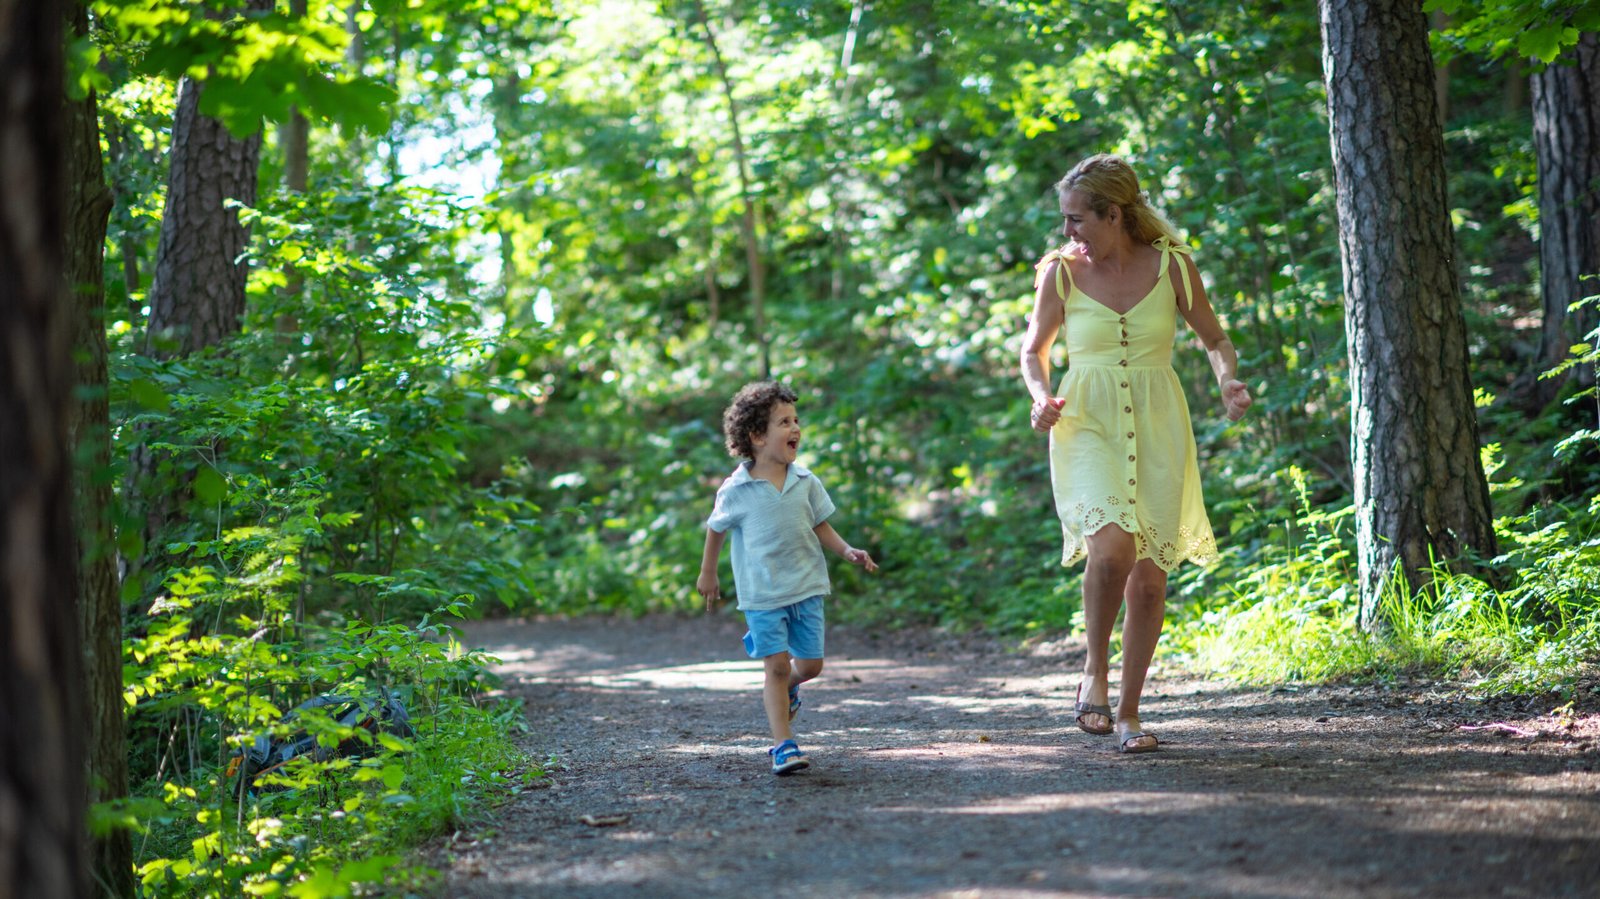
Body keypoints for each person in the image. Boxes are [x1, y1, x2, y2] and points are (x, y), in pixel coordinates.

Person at [1019, 154, 1252, 754]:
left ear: (1113, 214)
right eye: (1066, 221)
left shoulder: (1173, 265)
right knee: (1114, 543)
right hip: (1087, 420)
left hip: (1157, 420)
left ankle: (1129, 713)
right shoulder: (1060, 274)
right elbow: (1033, 351)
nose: (1068, 232)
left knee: (1150, 580)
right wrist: (1041, 396)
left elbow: (1214, 337)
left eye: (1076, 220)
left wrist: (1227, 379)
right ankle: (1094, 670)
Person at [697, 380, 878, 775]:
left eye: (796, 420)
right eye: (783, 422)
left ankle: (791, 687)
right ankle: (783, 744)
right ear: (757, 436)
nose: (795, 428)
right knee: (775, 668)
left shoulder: (805, 481)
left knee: (810, 666)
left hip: (806, 586)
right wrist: (708, 572)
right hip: (761, 594)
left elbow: (820, 524)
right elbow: (716, 529)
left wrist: (847, 550)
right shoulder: (736, 489)